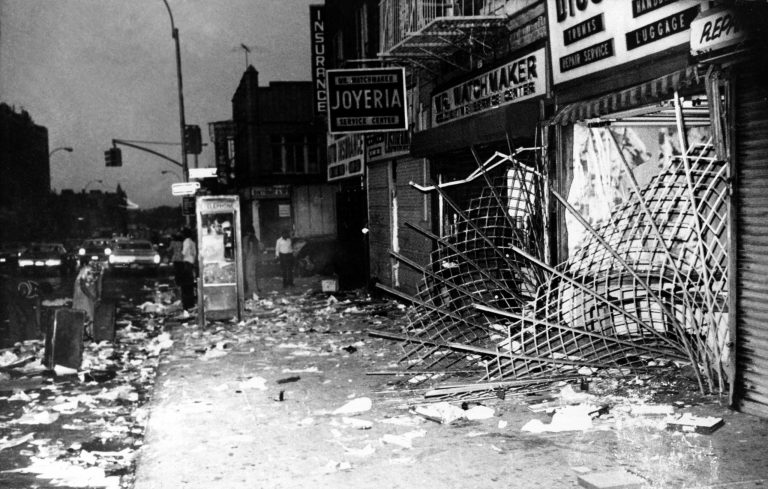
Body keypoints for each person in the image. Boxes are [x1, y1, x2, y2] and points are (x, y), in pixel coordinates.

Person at [180, 227, 197, 310]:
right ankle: (191, 303)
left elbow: (184, 252)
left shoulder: (186, 241)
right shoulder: (193, 242)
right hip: (191, 263)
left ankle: (187, 304)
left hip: (186, 263)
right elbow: (194, 253)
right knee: (190, 284)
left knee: (185, 286)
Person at [242, 225, 260, 297]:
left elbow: (250, 247)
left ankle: (251, 291)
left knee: (248, 275)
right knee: (252, 275)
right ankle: (255, 292)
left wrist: (247, 257)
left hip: (250, 258)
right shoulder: (254, 238)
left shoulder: (247, 238)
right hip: (254, 257)